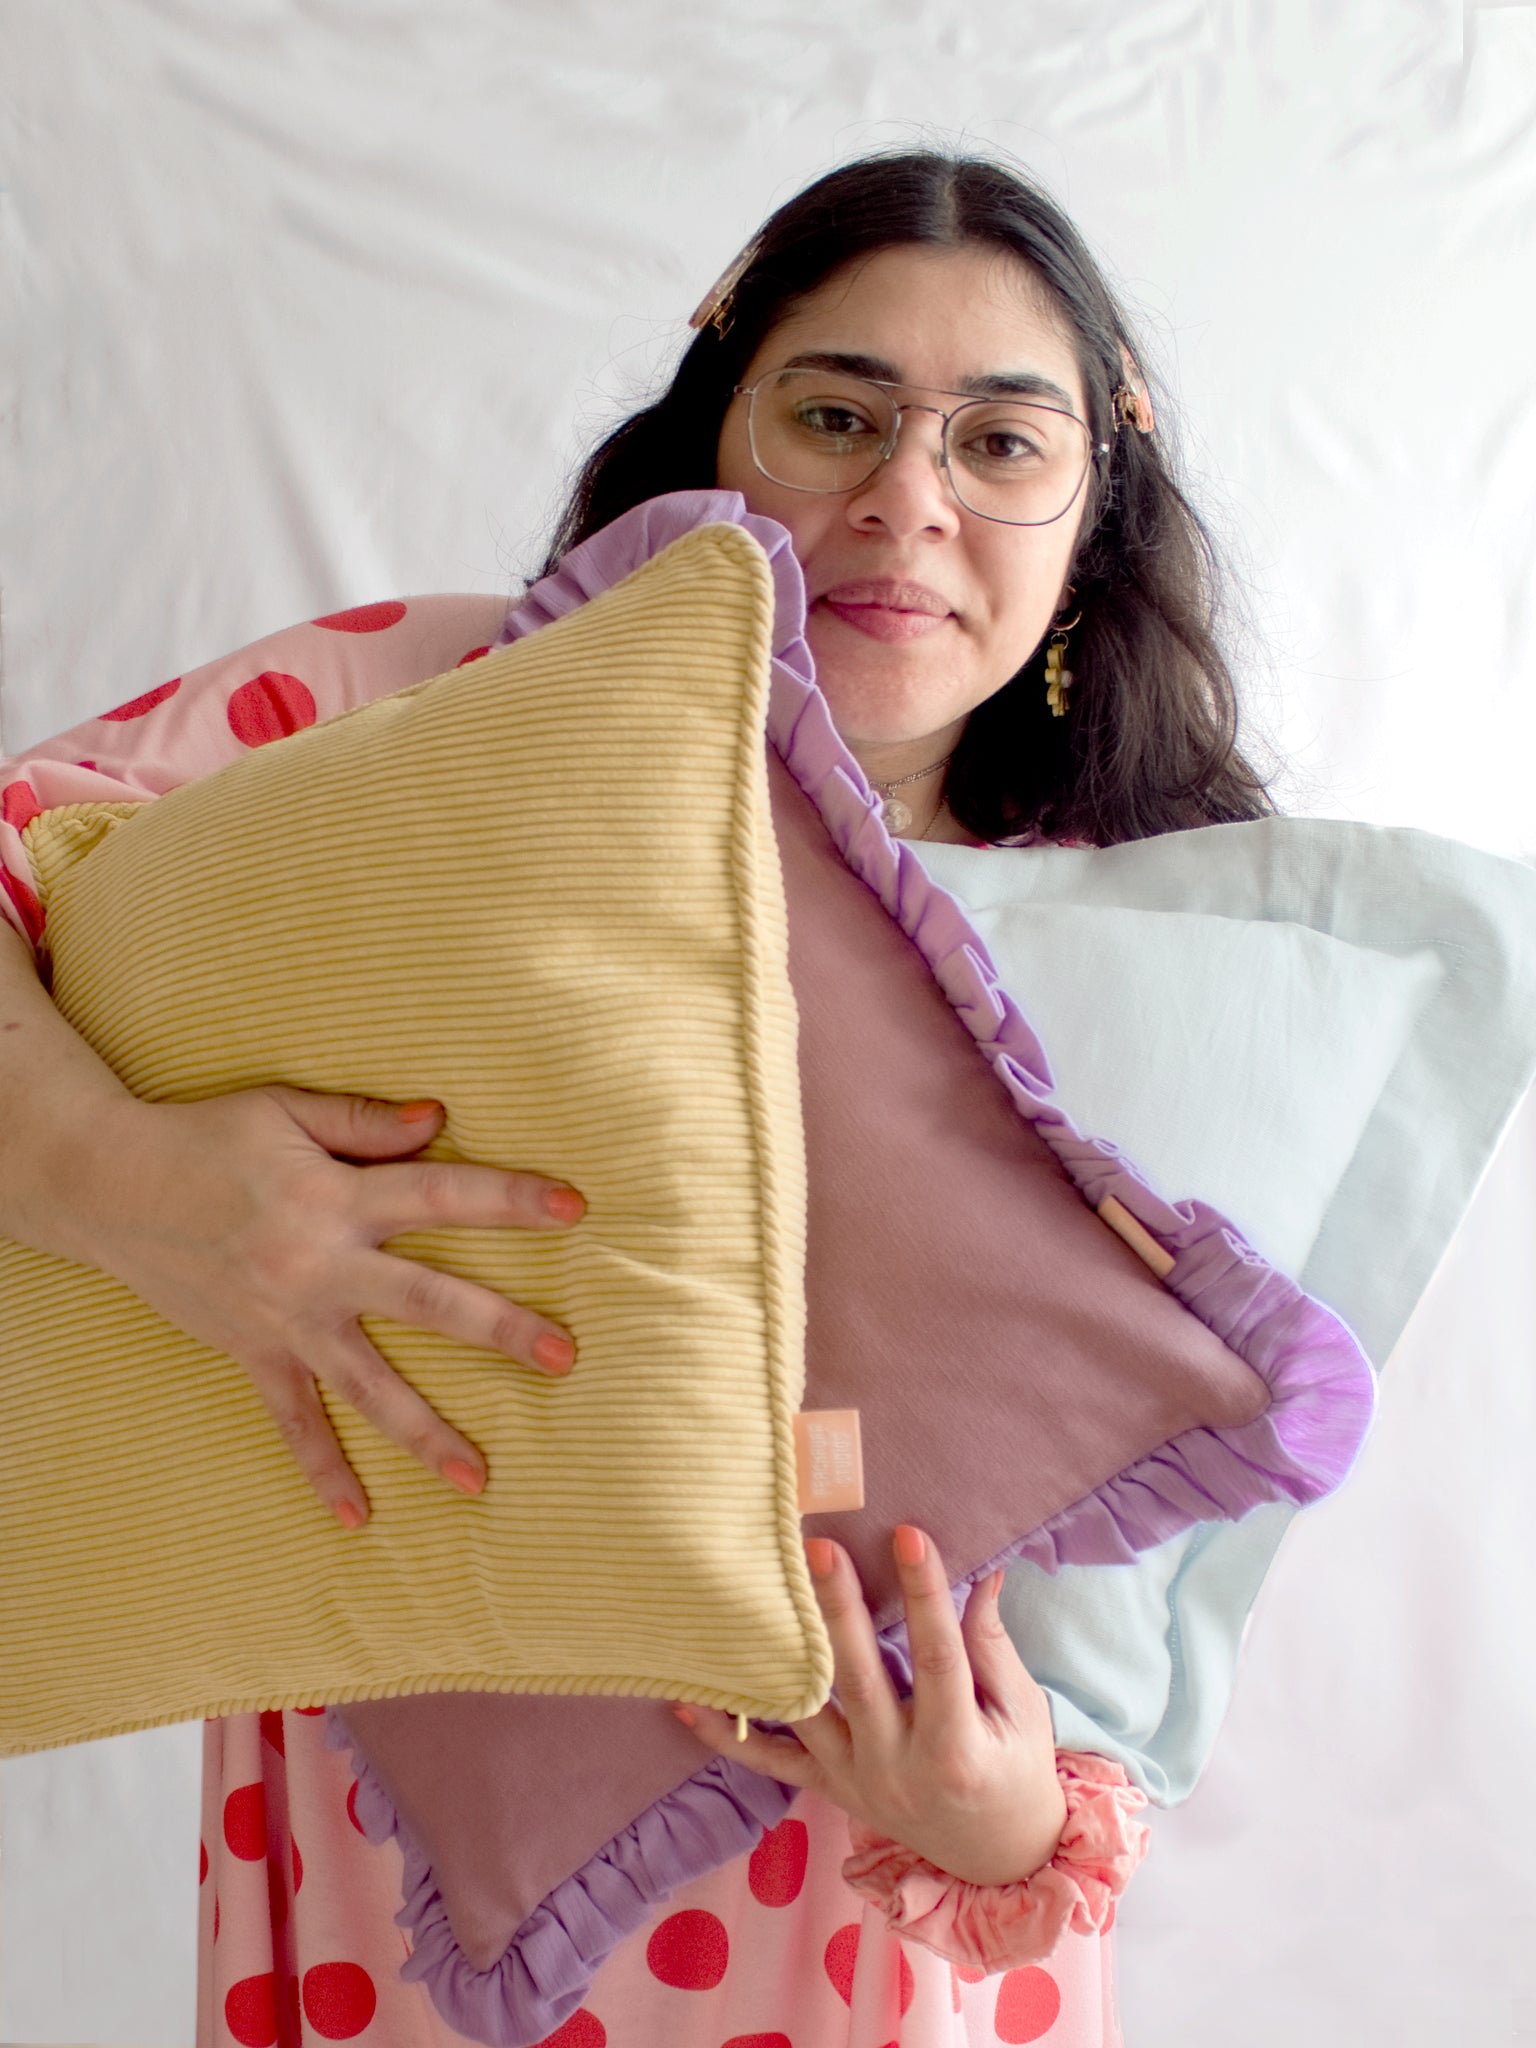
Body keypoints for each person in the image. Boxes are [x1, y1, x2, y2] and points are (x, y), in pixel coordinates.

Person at [0, 151, 1271, 2045]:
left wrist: (1002, 1820)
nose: (907, 500)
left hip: (872, 1930)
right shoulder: (426, 717)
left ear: (1093, 522)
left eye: (1003, 444)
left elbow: (1154, 1605)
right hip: (393, 1861)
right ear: (712, 446)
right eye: (835, 415)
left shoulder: (1185, 941)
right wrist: (131, 1180)